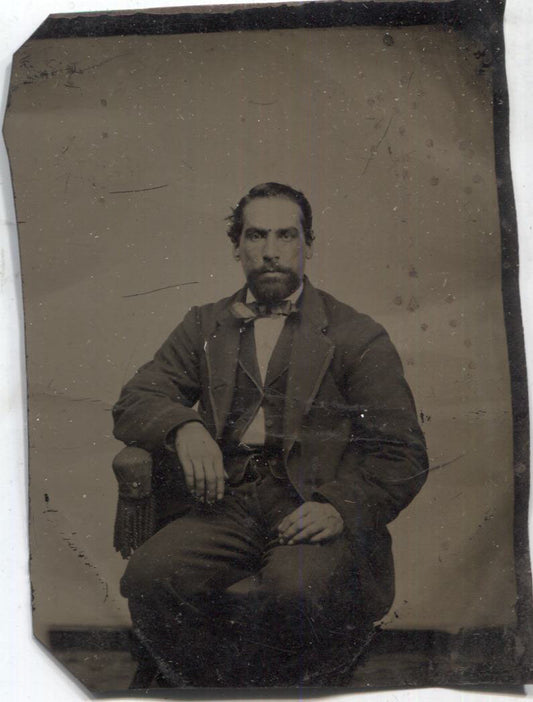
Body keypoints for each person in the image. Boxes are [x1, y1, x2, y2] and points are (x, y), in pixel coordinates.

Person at [113, 182, 428, 687]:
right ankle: (210, 690)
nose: (271, 250)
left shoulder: (355, 334)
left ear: (308, 245)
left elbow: (401, 451)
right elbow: (136, 398)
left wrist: (338, 507)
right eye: (257, 236)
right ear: (237, 246)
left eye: (287, 235)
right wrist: (185, 426)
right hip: (225, 504)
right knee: (151, 577)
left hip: (310, 505)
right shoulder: (204, 325)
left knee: (294, 590)